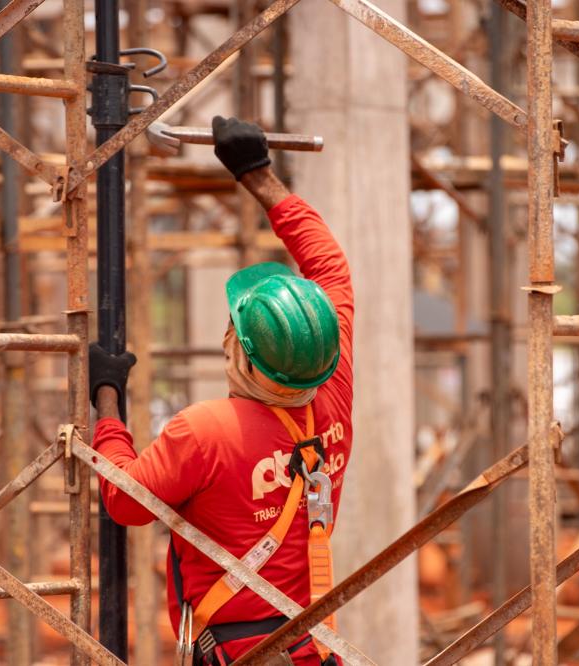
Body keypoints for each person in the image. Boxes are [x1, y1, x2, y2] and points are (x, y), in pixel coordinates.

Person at [89, 116, 353, 665]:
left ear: (242, 354)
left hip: (240, 654)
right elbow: (331, 270)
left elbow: (124, 500)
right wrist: (258, 173)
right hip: (315, 647)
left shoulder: (204, 432)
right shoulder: (334, 387)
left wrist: (108, 401)